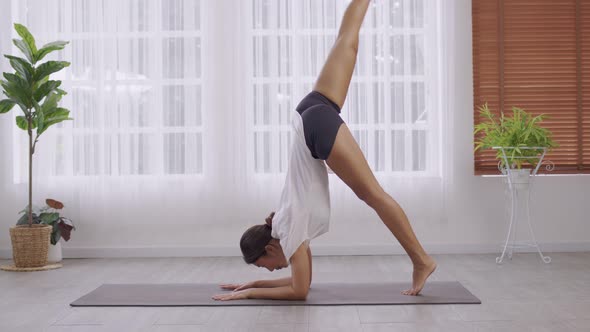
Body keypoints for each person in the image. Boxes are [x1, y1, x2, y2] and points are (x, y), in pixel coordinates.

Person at [212, 0, 436, 301]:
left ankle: (422, 260)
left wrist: (250, 294)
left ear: (268, 249)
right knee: (347, 40)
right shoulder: (283, 226)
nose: (270, 272)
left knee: (374, 196)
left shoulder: (289, 233)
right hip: (309, 112)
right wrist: (251, 286)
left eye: (265, 269)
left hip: (314, 131)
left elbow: (299, 290)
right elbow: (301, 282)